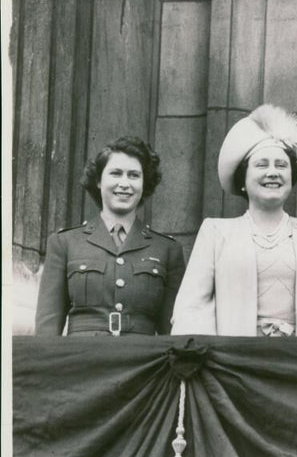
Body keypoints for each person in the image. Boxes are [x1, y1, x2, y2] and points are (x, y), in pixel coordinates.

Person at [170, 104, 297, 337]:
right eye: (262, 165)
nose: (273, 172)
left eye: (281, 165)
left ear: (291, 178)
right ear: (243, 178)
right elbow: (191, 307)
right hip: (236, 364)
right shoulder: (216, 232)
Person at [35, 137, 186, 336]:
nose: (124, 184)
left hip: (143, 364)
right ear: (98, 181)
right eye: (115, 173)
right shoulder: (65, 243)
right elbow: (47, 328)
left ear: (144, 183)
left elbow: (172, 332)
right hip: (82, 362)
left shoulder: (167, 250)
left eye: (134, 175)